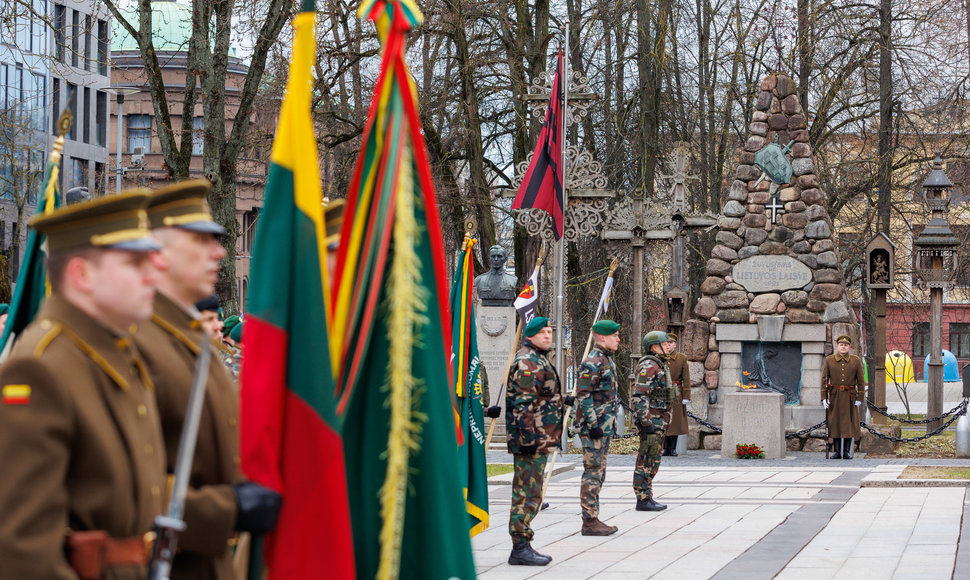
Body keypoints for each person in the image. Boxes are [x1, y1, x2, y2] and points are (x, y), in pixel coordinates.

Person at [0, 191, 167, 579]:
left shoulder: (115, 352)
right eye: (134, 262)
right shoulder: (40, 366)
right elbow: (22, 550)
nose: (152, 274)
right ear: (82, 274)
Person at [134, 180, 281, 580]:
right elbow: (121, 481)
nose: (218, 252)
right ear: (159, 253)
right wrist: (228, 509)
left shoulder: (192, 342)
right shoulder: (137, 344)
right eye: (201, 241)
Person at [505, 316, 564, 566]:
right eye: (543, 333)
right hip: (531, 440)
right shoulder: (528, 362)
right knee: (526, 493)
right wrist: (528, 439)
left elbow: (541, 397)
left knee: (533, 493)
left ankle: (523, 543)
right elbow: (522, 405)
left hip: (540, 438)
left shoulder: (538, 358)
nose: (548, 336)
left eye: (550, 332)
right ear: (530, 336)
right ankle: (520, 546)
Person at [573, 319, 621, 536]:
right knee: (593, 473)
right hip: (595, 428)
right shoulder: (594, 361)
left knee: (598, 473)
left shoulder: (605, 359)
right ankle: (589, 521)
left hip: (603, 426)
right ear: (602, 337)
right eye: (615, 336)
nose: (618, 339)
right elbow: (583, 395)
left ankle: (593, 516)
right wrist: (593, 425)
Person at [632, 330, 675, 511]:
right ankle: (642, 498)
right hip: (652, 421)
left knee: (653, 460)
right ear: (654, 347)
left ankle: (647, 495)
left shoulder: (659, 364)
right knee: (646, 459)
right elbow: (640, 396)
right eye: (664, 344)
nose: (668, 346)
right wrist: (646, 422)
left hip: (659, 420)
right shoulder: (649, 365)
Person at [821, 334, 865, 460]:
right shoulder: (829, 360)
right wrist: (824, 397)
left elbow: (861, 381)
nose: (843, 347)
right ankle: (836, 452)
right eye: (841, 345)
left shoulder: (855, 360)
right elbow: (824, 379)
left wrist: (860, 398)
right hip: (834, 396)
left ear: (849, 347)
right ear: (837, 346)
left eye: (846, 345)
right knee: (835, 423)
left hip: (849, 396)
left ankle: (846, 452)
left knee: (848, 424)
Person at [663, 333, 691, 457]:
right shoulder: (660, 357)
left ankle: (672, 448)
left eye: (671, 343)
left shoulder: (681, 358)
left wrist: (686, 396)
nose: (669, 345)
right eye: (666, 343)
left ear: (675, 344)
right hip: (662, 391)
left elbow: (686, 378)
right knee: (663, 419)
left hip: (676, 391)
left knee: (675, 421)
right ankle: (664, 447)